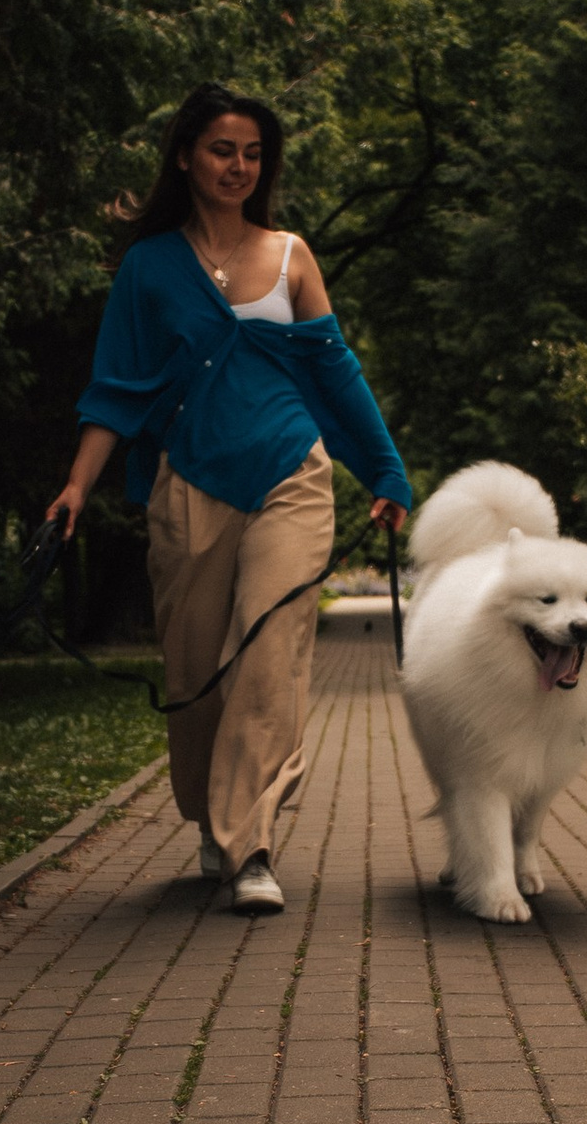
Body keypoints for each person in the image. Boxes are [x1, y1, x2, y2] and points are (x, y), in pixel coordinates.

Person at [46, 83, 411, 912]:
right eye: (222, 149)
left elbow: (336, 374)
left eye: (253, 153)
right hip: (189, 484)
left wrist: (385, 473)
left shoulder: (291, 255)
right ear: (185, 156)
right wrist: (75, 487)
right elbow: (114, 390)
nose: (238, 166)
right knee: (196, 667)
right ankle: (214, 820)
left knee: (268, 648)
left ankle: (250, 845)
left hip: (291, 473)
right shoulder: (149, 268)